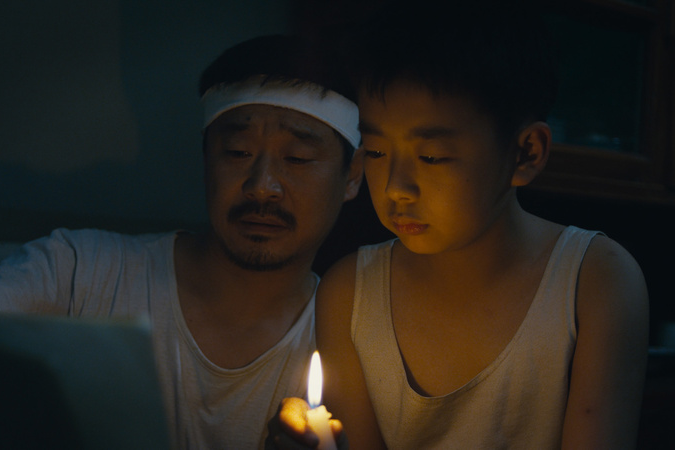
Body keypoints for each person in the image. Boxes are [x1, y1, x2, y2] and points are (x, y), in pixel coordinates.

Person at [0, 34, 363, 449]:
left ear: (352, 176)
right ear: (206, 158)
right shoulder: (82, 270)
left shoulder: (357, 342)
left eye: (298, 158)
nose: (262, 186)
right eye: (237, 152)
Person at [271, 1, 649, 448]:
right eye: (376, 151)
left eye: (432, 157)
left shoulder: (594, 283)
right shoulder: (350, 295)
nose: (396, 187)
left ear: (525, 153)